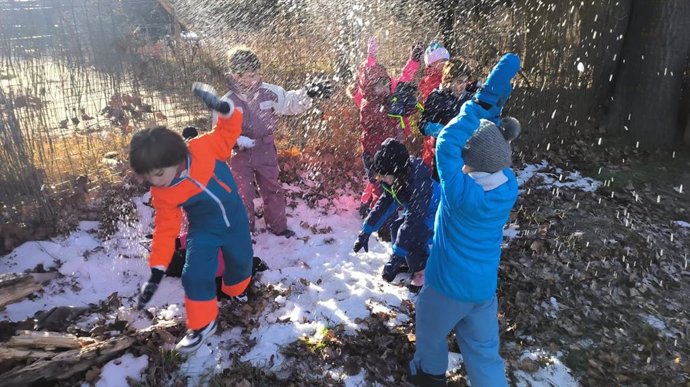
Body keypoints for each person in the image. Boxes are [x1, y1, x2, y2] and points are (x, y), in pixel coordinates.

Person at [409, 53, 522, 387]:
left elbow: (447, 141)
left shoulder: (459, 192)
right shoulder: (507, 186)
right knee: (484, 351)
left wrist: (481, 102)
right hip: (483, 292)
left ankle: (429, 376)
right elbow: (490, 145)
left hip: (445, 288)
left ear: (467, 161)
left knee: (429, 333)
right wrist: (494, 108)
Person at [131, 83, 253, 353]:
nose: (154, 181)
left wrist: (224, 109)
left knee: (242, 265)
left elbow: (228, 130)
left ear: (176, 158)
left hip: (235, 220)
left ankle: (236, 291)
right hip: (203, 230)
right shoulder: (163, 193)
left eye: (157, 173)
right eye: (148, 176)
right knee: (194, 273)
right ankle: (201, 324)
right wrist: (157, 268)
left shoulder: (203, 148)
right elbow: (165, 230)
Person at [222, 47, 331, 238]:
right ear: (236, 75)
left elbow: (289, 103)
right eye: (250, 74)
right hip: (239, 153)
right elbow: (220, 132)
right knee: (242, 193)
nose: (255, 78)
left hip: (265, 149)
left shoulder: (269, 92)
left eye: (257, 73)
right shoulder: (226, 102)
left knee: (272, 188)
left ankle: (278, 226)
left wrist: (308, 93)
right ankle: (243, 231)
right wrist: (236, 140)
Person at [352, 138, 440, 289]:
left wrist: (396, 256)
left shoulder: (417, 182)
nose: (383, 179)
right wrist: (366, 231)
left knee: (414, 236)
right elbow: (383, 206)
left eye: (385, 175)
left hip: (438, 214)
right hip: (419, 213)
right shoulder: (396, 181)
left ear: (397, 172)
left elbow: (413, 222)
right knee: (395, 227)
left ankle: (423, 272)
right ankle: (407, 262)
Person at [353, 37, 423, 221]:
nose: (386, 88)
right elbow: (376, 116)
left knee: (385, 179)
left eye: (386, 84)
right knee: (378, 181)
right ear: (370, 88)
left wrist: (414, 61)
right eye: (381, 86)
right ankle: (377, 212)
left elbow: (405, 79)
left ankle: (372, 203)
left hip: (394, 145)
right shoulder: (369, 104)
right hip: (375, 151)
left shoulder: (389, 94)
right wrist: (371, 55)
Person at [419, 58, 481, 180]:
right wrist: (442, 131)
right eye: (458, 82)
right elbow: (423, 124)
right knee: (444, 185)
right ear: (449, 80)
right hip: (443, 151)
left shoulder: (468, 98)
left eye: (464, 81)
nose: (462, 86)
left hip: (465, 151)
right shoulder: (437, 97)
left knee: (463, 186)